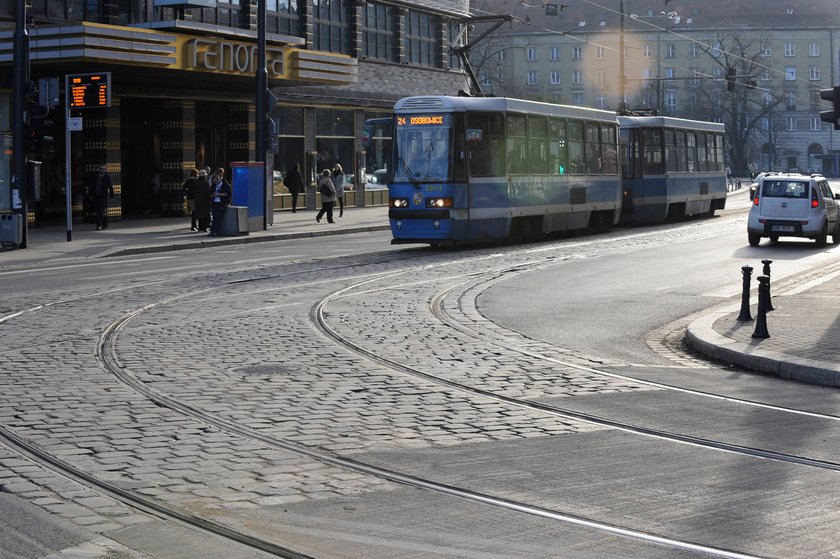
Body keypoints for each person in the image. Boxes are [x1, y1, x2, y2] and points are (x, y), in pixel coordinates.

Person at [208, 169, 231, 237]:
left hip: (222, 203)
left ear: (218, 179)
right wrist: (213, 195)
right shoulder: (214, 185)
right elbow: (211, 194)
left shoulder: (225, 185)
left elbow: (227, 194)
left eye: (215, 182)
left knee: (218, 218)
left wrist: (218, 194)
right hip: (215, 203)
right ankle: (212, 231)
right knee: (214, 218)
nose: (215, 183)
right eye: (213, 182)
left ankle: (216, 232)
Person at [92, 163, 114, 230]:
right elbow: (93, 186)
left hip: (103, 196)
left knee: (101, 211)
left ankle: (99, 225)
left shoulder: (107, 177)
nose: (102, 170)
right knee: (98, 211)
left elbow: (110, 187)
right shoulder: (95, 176)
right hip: (96, 196)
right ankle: (105, 223)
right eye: (101, 168)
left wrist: (111, 195)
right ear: (99, 169)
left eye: (104, 169)